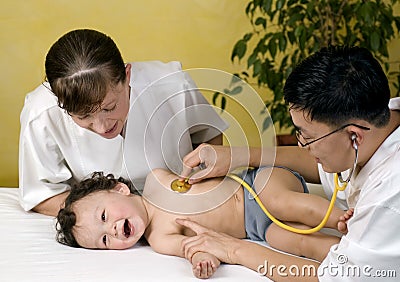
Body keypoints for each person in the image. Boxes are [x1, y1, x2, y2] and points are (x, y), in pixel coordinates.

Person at [178, 46, 400, 280]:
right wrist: (236, 156)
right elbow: (319, 163)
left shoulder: (390, 191)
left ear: (354, 136)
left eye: (309, 137)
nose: (303, 145)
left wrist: (234, 249)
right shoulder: (376, 123)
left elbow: (338, 277)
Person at [18, 29, 228, 216]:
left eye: (109, 108)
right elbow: (42, 195)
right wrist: (109, 214)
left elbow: (209, 137)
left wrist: (204, 193)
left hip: (181, 207)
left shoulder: (172, 85)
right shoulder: (41, 114)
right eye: (83, 117)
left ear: (127, 76)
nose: (102, 127)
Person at [56, 166, 350, 279]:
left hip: (257, 184)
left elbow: (191, 176)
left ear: (120, 189)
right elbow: (194, 247)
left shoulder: (158, 180)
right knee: (291, 241)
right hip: (258, 228)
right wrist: (203, 260)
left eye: (105, 217)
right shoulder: (160, 238)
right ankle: (353, 253)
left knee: (285, 203)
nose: (113, 230)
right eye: (105, 241)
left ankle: (348, 219)